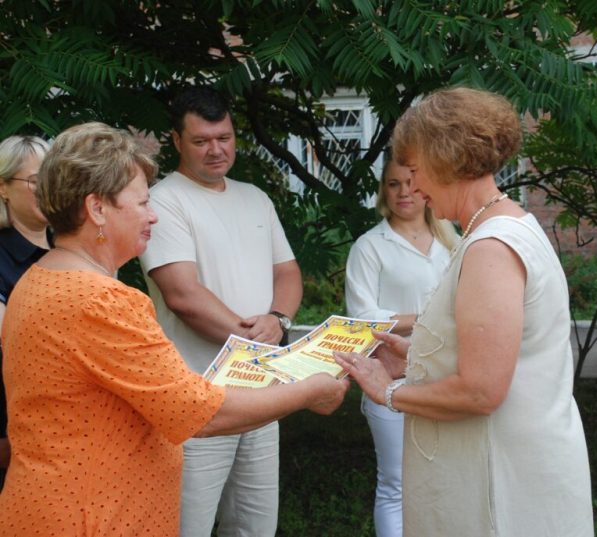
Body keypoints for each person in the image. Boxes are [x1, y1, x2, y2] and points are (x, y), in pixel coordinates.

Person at [0, 122, 347, 537]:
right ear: (96, 209)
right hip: (94, 515)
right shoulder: (100, 300)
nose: (153, 215)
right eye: (143, 202)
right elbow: (196, 412)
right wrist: (309, 389)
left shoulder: (39, 278)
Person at [335, 87, 594, 536]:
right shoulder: (501, 226)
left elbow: (481, 391)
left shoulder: (490, 246)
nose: (412, 187)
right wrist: (413, 358)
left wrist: (388, 392)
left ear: (447, 158)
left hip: (502, 477)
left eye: (415, 171)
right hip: (508, 459)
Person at [138, 87, 304, 537]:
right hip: (195, 399)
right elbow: (183, 295)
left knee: (254, 526)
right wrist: (255, 339)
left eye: (224, 137)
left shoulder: (255, 198)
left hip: (259, 392)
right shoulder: (162, 202)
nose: (216, 150)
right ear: (175, 140)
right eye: (201, 140)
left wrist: (279, 321)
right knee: (185, 526)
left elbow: (288, 272)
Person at [345, 158, 456, 537]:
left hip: (447, 376)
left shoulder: (451, 240)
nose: (403, 192)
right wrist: (427, 315)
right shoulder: (370, 246)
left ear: (426, 189)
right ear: (383, 192)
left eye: (410, 183)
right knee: (396, 484)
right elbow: (364, 318)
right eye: (393, 184)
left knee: (444, 481)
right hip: (391, 378)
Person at [0, 135, 50, 490]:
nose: (48, 189)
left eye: (54, 177)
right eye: (35, 181)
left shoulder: (75, 250)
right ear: (2, 187)